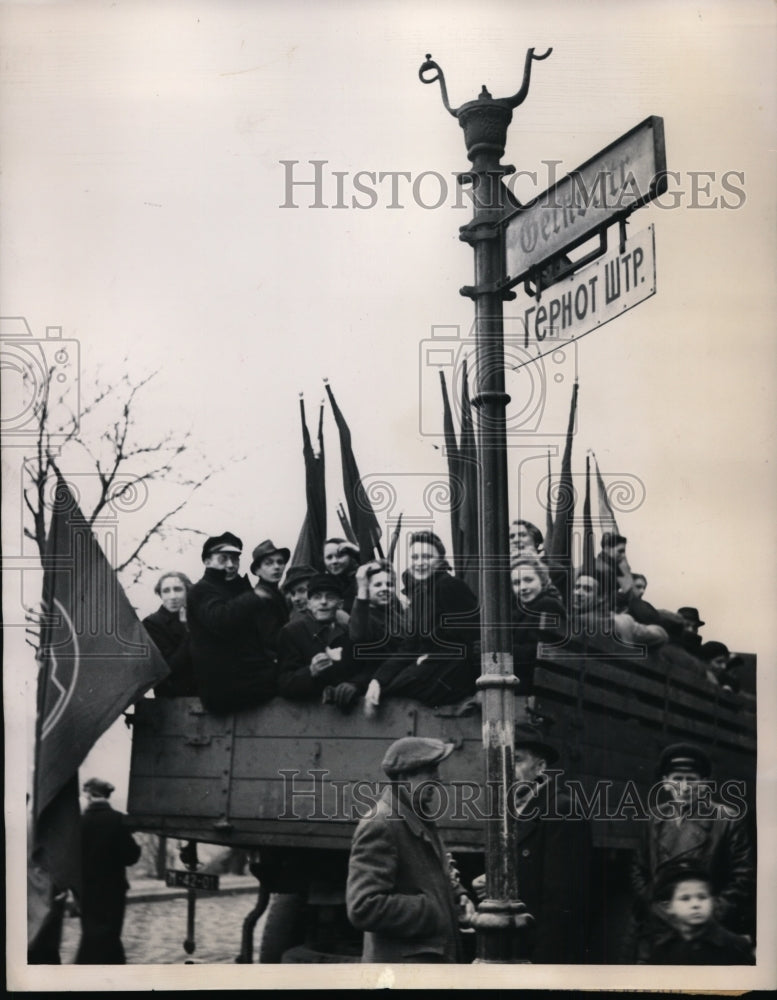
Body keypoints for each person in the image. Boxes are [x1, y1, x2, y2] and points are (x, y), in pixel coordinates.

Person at [346, 736, 473, 963]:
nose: (438, 779)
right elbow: (364, 907)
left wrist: (458, 896)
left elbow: (433, 875)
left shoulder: (418, 816)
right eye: (430, 771)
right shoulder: (381, 824)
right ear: (404, 778)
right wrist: (435, 910)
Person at [472, 724, 592, 963]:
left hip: (539, 951)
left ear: (540, 767)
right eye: (502, 761)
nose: (507, 769)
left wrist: (542, 962)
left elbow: (562, 900)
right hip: (511, 946)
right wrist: (493, 882)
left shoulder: (562, 808)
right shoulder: (507, 809)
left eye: (516, 760)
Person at [629, 742, 755, 961]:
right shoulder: (653, 818)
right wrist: (654, 908)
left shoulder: (726, 818)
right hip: (660, 930)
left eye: (692, 780)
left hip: (706, 931)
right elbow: (639, 868)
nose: (684, 787)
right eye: (677, 779)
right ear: (665, 783)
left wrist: (708, 913)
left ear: (704, 784)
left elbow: (743, 876)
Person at [364, 531, 479, 713]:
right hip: (431, 664)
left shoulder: (449, 586)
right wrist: (378, 679)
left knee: (397, 691)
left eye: (427, 557)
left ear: (440, 559)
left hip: (455, 667)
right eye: (415, 557)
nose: (419, 563)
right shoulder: (420, 594)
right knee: (384, 688)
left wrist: (434, 655)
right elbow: (410, 645)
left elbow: (471, 636)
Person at [187, 532, 279, 714]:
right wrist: (253, 597)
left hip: (249, 679)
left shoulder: (241, 589)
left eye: (235, 559)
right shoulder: (202, 590)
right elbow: (221, 620)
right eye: (223, 559)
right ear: (207, 562)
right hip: (225, 689)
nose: (230, 565)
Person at [75, 777, 141, 964]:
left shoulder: (80, 822)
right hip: (114, 889)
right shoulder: (118, 820)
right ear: (106, 796)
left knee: (90, 932)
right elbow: (131, 856)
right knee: (111, 933)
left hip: (87, 888)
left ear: (89, 795)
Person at [643, 863, 754, 965]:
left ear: (713, 901)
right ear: (669, 907)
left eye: (702, 897)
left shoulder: (735, 946)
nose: (696, 904)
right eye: (685, 898)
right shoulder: (663, 949)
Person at [276, 573, 356, 706]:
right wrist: (311, 671)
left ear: (340, 604)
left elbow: (365, 668)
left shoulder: (348, 632)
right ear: (308, 603)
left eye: (330, 597)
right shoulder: (291, 632)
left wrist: (355, 685)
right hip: (306, 716)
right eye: (317, 597)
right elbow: (283, 683)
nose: (323, 602)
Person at [509, 557, 566, 695]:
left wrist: (504, 650)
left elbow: (544, 653)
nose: (522, 587)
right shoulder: (521, 610)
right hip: (525, 685)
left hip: (540, 690)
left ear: (542, 580)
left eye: (528, 580)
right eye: (517, 583)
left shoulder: (549, 605)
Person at [142, 571, 196, 697]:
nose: (172, 596)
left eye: (178, 589)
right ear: (160, 595)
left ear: (187, 592)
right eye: (166, 591)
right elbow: (168, 668)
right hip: (172, 701)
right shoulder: (152, 623)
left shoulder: (200, 619)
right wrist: (189, 630)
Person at [249, 538, 292, 661]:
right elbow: (270, 639)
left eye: (280, 562)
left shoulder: (276, 593)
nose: (277, 567)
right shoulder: (260, 597)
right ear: (257, 570)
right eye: (269, 563)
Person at [323, 537, 360, 613]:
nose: (334, 561)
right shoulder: (324, 585)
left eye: (340, 556)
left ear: (351, 556)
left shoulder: (360, 579)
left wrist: (358, 553)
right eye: (329, 557)